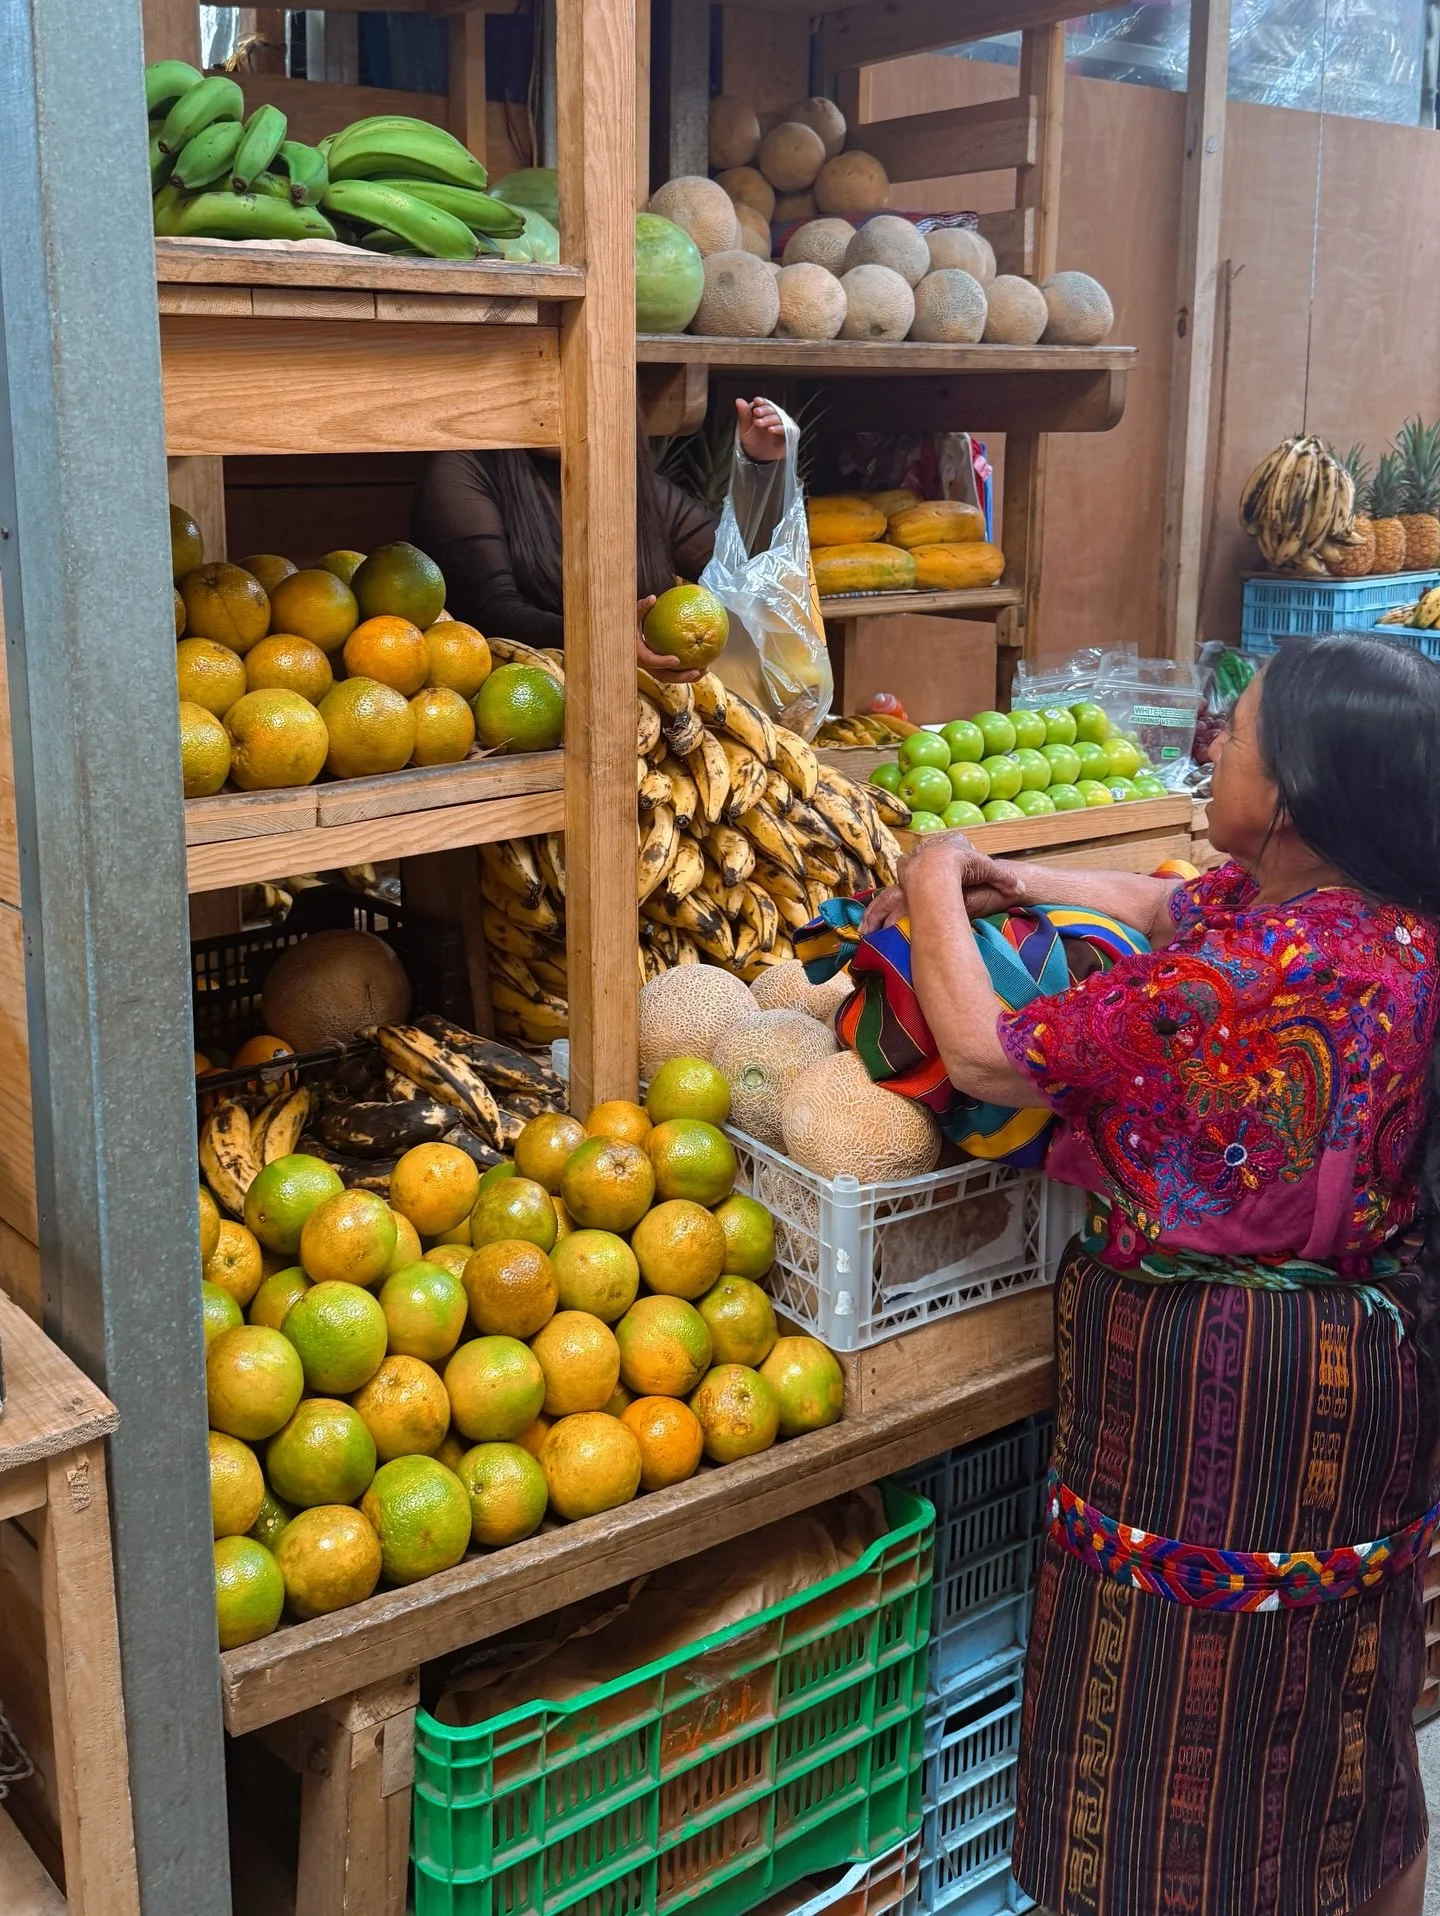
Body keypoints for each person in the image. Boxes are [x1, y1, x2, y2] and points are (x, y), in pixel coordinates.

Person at [864, 633, 1440, 1916]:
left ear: (1289, 799)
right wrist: (1016, 868)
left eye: (1231, 734)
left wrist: (931, 881)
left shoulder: (1229, 988)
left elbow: (980, 1050)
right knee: (1346, 1709)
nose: (1209, 747)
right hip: (1371, 1373)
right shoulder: (1376, 925)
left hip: (1221, 1400)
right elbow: (1170, 897)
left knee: (1176, 1745)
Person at [410, 397, 786, 680]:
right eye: (550, 380)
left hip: (645, 720)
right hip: (526, 719)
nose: (566, 397)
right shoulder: (465, 471)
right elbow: (490, 612)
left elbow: (744, 572)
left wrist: (762, 467)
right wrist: (603, 640)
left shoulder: (638, 489)